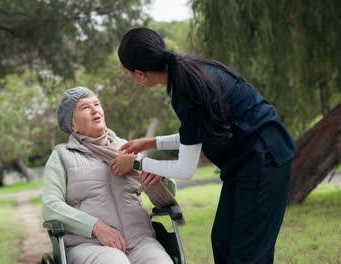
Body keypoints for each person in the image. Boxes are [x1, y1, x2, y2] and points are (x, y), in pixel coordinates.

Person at [111, 27, 296, 264]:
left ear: (140, 74)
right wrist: (152, 141)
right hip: (244, 162)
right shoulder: (185, 70)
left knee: (247, 254)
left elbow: (185, 169)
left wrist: (137, 163)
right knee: (223, 241)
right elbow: (195, 133)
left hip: (265, 160)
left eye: (128, 74)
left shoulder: (187, 89)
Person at [41, 86, 174, 264]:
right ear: (72, 125)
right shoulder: (62, 155)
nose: (95, 109)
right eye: (85, 107)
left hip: (140, 242)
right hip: (88, 245)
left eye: (97, 104)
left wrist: (153, 171)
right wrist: (95, 226)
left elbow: (168, 192)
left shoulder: (126, 148)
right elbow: (51, 206)